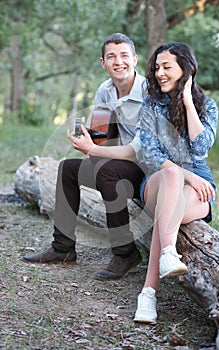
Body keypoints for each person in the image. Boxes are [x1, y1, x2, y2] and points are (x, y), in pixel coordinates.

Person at [23, 32, 146, 280]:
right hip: (120, 161)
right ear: (103, 63)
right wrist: (88, 140)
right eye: (111, 56)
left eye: (124, 55)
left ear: (135, 59)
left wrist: (96, 152)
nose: (118, 61)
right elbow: (102, 136)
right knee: (68, 169)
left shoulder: (149, 92)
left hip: (150, 170)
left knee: (108, 172)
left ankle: (125, 253)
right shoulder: (105, 90)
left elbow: (138, 151)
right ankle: (63, 248)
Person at [133, 42, 218, 323]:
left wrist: (188, 102)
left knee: (167, 213)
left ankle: (147, 294)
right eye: (156, 67)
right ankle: (168, 253)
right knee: (172, 176)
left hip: (197, 188)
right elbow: (149, 153)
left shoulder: (207, 106)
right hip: (158, 180)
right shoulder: (150, 104)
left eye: (166, 66)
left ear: (186, 69)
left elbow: (201, 148)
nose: (159, 73)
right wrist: (187, 174)